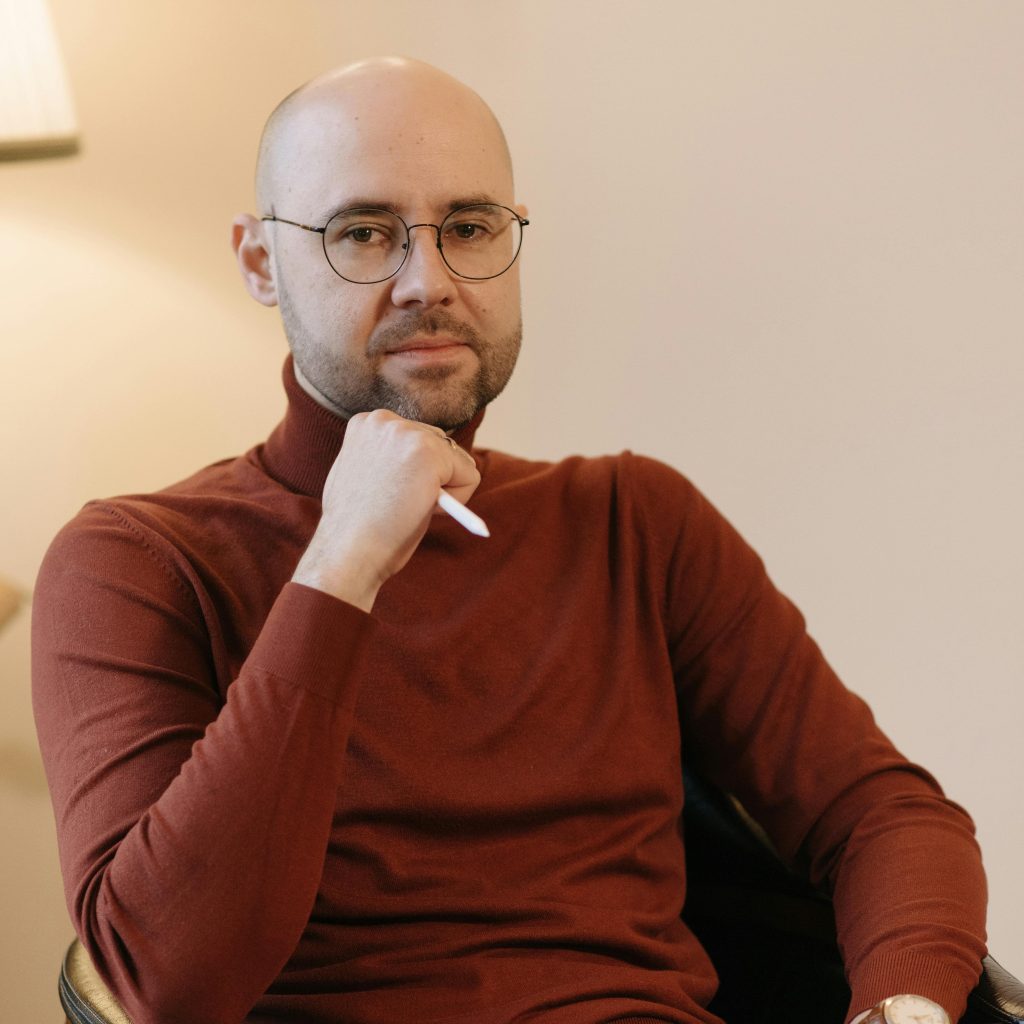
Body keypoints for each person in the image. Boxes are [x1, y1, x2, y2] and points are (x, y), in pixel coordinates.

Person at [32, 58, 986, 1024]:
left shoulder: (632, 521)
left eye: (469, 228)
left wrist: (904, 1004)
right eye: (363, 232)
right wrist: (343, 563)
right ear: (258, 263)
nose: (428, 283)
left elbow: (881, 814)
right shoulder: (137, 562)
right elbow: (164, 986)